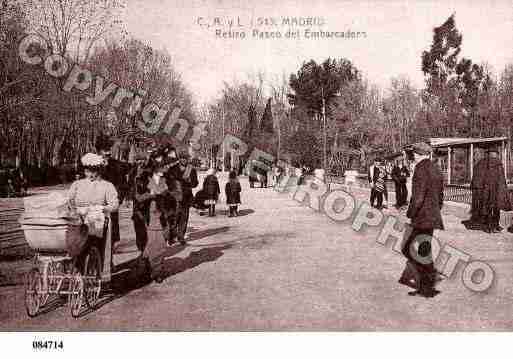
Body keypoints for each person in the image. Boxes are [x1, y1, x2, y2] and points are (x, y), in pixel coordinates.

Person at [400, 142, 444, 297]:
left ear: (417, 154)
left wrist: (410, 213)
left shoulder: (420, 169)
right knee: (423, 250)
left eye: (413, 154)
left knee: (408, 249)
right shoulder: (435, 167)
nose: (413, 156)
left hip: (422, 216)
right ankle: (427, 285)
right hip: (432, 215)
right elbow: (440, 196)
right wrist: (435, 210)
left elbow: (418, 197)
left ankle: (429, 282)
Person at [68, 153, 119, 267]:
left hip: (97, 221)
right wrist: (73, 209)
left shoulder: (107, 186)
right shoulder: (77, 184)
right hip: (78, 219)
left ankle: (94, 267)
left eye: (93, 172)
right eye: (87, 171)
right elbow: (69, 200)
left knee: (91, 240)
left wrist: (102, 208)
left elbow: (115, 204)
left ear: (99, 171)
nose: (90, 175)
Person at [482, 149, 510, 233]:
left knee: (489, 208)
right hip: (497, 190)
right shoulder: (498, 164)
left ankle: (489, 227)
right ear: (496, 154)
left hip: (488, 190)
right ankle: (496, 226)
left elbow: (483, 179)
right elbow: (501, 179)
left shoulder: (485, 165)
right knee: (496, 208)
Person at [175, 150, 198, 244]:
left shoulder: (191, 169)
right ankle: (171, 235)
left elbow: (195, 183)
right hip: (175, 196)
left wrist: (190, 181)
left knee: (184, 218)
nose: (184, 160)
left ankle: (181, 236)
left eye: (185, 158)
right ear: (179, 159)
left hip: (186, 196)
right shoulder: (174, 168)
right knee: (174, 217)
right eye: (182, 158)